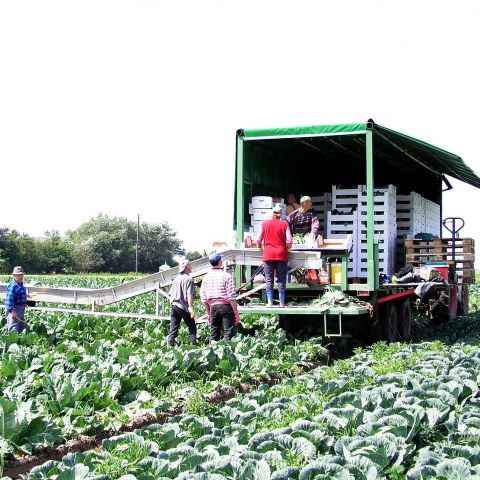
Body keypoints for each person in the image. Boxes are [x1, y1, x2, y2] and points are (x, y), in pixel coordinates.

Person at [257, 206, 293, 307]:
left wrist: (259, 247)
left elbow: (258, 239)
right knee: (281, 279)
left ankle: (270, 302)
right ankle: (281, 302)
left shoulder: (264, 224)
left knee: (269, 279)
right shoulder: (284, 224)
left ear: (272, 214)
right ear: (280, 215)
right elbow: (289, 241)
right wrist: (288, 248)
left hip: (268, 254)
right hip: (281, 254)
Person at [200, 253, 240, 341]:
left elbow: (204, 298)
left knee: (214, 334)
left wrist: (208, 313)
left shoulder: (206, 277)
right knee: (228, 334)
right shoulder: (227, 276)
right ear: (220, 262)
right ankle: (227, 353)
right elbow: (231, 297)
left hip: (213, 308)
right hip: (225, 307)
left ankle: (213, 352)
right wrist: (236, 313)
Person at [167, 259, 197, 346]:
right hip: (183, 307)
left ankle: (169, 347)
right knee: (192, 326)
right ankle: (193, 346)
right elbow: (189, 294)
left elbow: (170, 293)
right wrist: (190, 307)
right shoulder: (189, 279)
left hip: (174, 306)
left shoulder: (176, 279)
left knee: (173, 328)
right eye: (190, 265)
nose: (191, 267)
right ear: (186, 267)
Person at [4, 266, 28, 333]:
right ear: (14, 275)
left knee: (21, 328)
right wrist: (12, 312)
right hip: (14, 309)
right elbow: (9, 300)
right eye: (19, 275)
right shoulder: (13, 286)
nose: (21, 276)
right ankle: (12, 343)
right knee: (13, 330)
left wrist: (26, 295)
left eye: (22, 274)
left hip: (21, 309)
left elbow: (18, 293)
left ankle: (19, 343)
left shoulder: (20, 284)